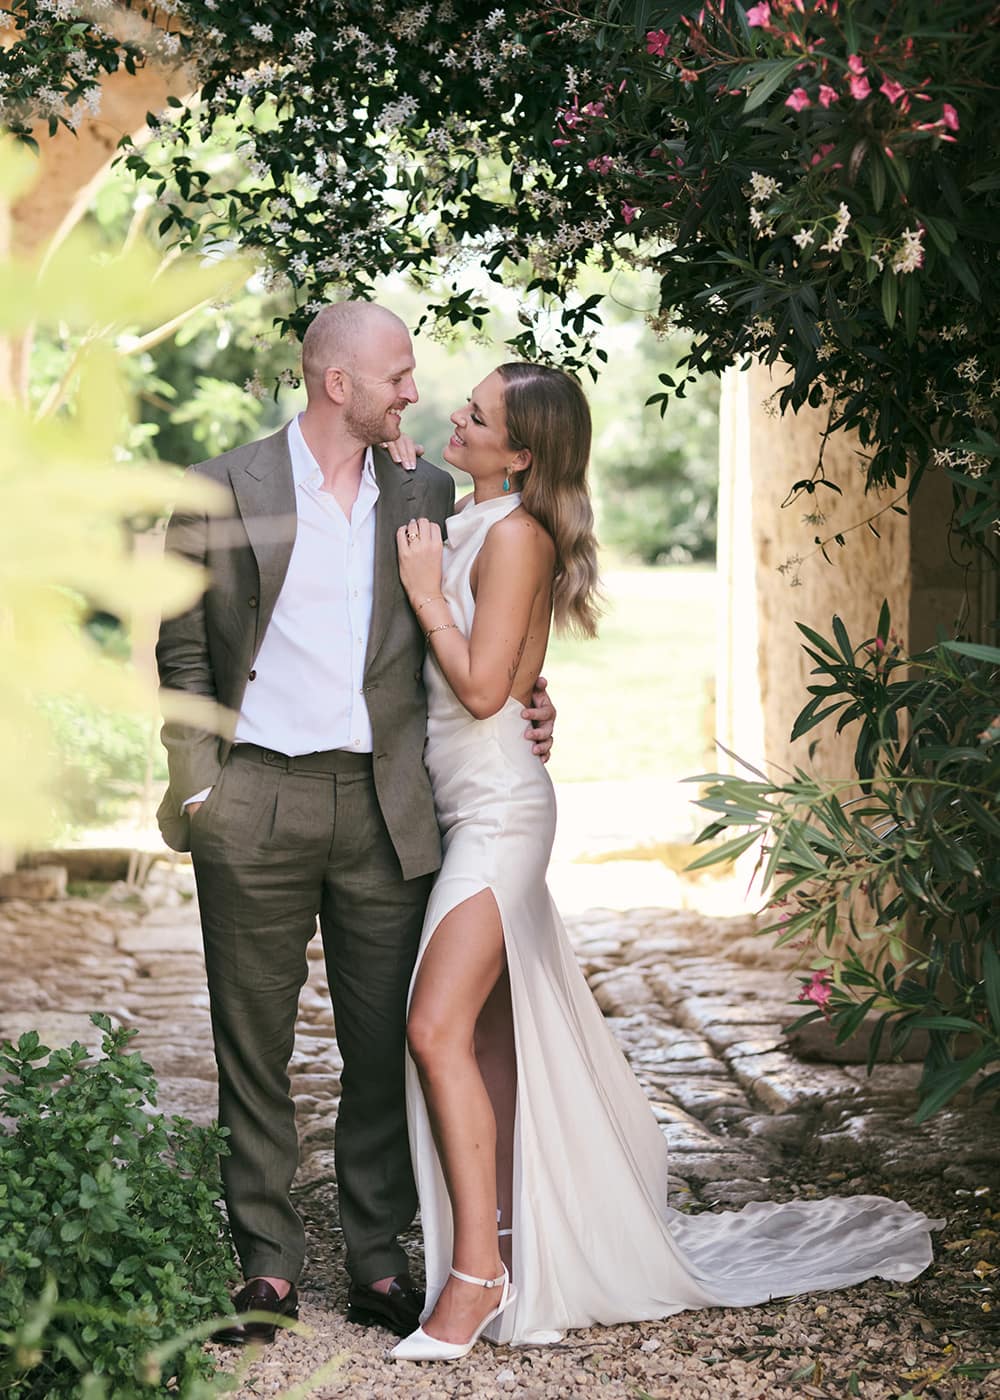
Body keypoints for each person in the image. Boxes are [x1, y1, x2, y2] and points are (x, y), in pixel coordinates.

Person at [386, 361, 940, 1362]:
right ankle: (509, 1238)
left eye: (478, 413)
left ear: (521, 453)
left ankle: (475, 1279)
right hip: (464, 803)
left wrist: (427, 597)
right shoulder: (468, 519)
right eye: (465, 403)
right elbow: (517, 673)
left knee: (433, 1028)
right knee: (490, 1044)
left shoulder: (515, 535)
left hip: (499, 817)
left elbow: (480, 690)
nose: (455, 415)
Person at [154, 302, 555, 1346]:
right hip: (253, 797)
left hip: (388, 804)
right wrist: (201, 791)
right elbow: (184, 649)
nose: (415, 392)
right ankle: (268, 1262)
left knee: (384, 1042)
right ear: (339, 384)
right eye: (398, 376)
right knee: (253, 1044)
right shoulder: (217, 488)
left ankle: (378, 1255)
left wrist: (531, 696)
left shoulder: (426, 492)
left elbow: (489, 618)